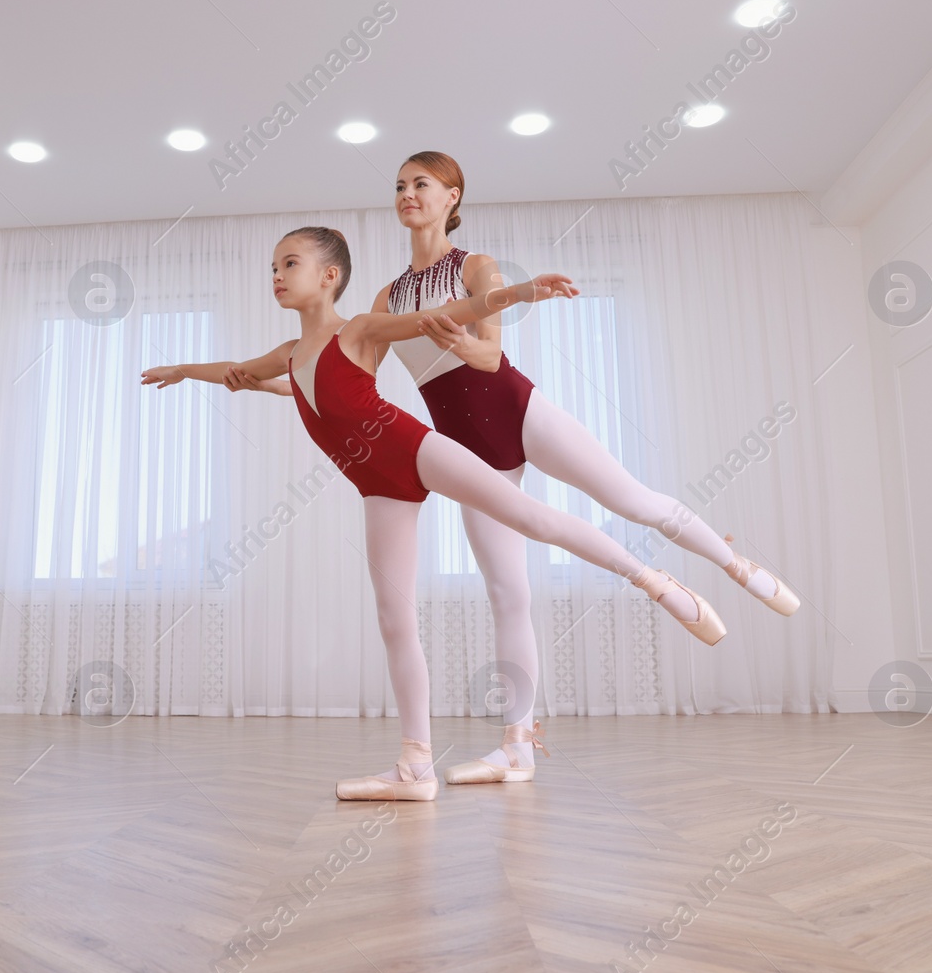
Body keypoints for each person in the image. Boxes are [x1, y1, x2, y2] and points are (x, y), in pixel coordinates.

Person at [142, 227, 725, 802]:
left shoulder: (362, 329)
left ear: (329, 276)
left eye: (288, 264)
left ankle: (656, 583)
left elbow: (453, 310)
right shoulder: (291, 355)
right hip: (375, 486)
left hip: (415, 448)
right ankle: (414, 766)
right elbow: (239, 370)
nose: (276, 276)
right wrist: (185, 371)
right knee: (395, 620)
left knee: (529, 518)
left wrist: (522, 292)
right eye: (272, 268)